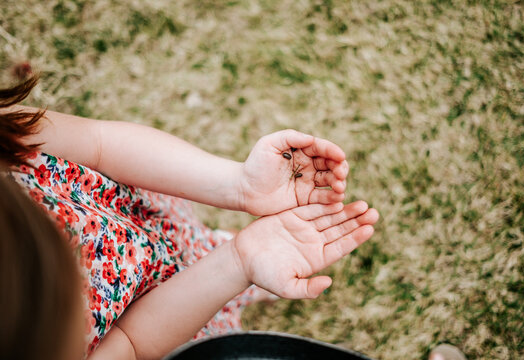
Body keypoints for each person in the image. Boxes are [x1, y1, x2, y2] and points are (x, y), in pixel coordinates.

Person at [0, 73, 379, 359]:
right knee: (218, 281)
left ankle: (220, 257)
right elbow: (132, 342)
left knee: (196, 245)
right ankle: (231, 272)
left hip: (150, 226)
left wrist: (238, 184)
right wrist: (239, 261)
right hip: (167, 319)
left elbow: (100, 143)